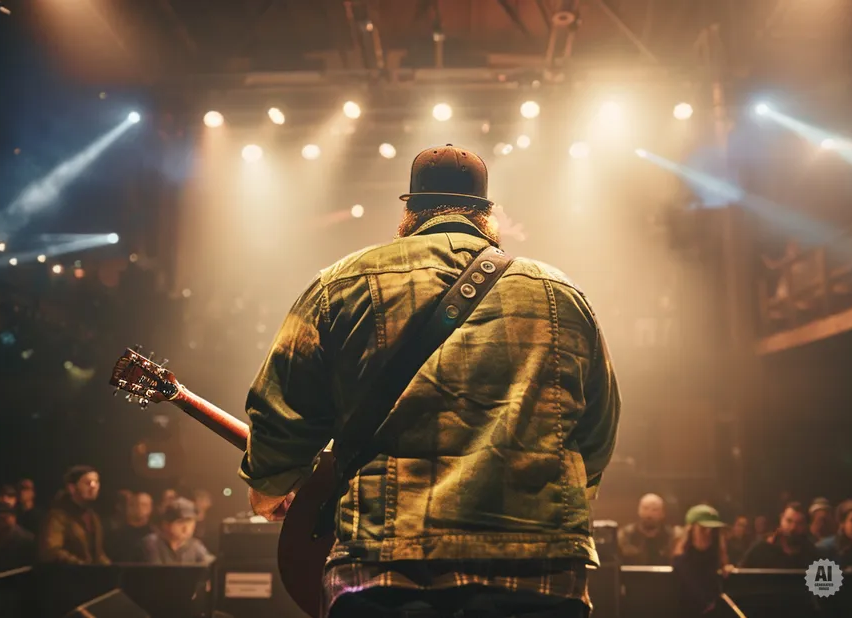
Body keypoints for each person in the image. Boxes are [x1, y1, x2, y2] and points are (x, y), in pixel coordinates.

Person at [238, 145, 621, 618]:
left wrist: (269, 486)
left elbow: (282, 409)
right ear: (485, 216)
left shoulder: (340, 284)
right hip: (539, 572)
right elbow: (597, 434)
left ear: (410, 212)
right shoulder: (560, 293)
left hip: (385, 570)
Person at [39, 465, 110, 564]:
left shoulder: (93, 516)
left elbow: (97, 553)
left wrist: (110, 567)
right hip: (68, 573)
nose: (93, 486)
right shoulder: (58, 517)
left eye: (96, 482)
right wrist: (80, 565)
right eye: (88, 483)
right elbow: (51, 551)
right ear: (72, 488)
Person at [671, 505, 730, 618]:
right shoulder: (681, 561)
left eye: (713, 530)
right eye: (703, 529)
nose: (708, 533)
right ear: (691, 531)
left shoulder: (717, 559)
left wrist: (729, 573)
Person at [740, 502, 817, 569]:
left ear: (806, 526)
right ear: (781, 519)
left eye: (799, 523)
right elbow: (740, 574)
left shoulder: (811, 553)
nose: (793, 528)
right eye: (789, 521)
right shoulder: (761, 548)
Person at [139, 498, 213, 565]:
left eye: (190, 522)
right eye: (181, 522)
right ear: (166, 524)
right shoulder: (151, 544)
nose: (186, 528)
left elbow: (212, 566)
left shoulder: (195, 546)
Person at [618, 493, 675, 565]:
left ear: (662, 513)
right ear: (639, 511)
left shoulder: (671, 536)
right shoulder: (626, 535)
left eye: (655, 510)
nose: (649, 514)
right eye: (645, 508)